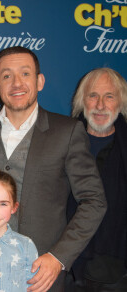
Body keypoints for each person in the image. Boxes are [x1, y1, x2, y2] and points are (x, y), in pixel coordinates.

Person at [0, 46, 107, 291]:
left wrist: (58, 257)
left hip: (40, 274)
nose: (17, 83)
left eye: (25, 74)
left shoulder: (68, 131)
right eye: (7, 76)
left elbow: (94, 201)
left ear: (39, 81)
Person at [67, 67, 127, 291]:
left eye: (109, 96)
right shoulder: (60, 142)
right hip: (68, 271)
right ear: (82, 101)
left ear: (120, 102)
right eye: (93, 95)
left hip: (119, 275)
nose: (100, 105)